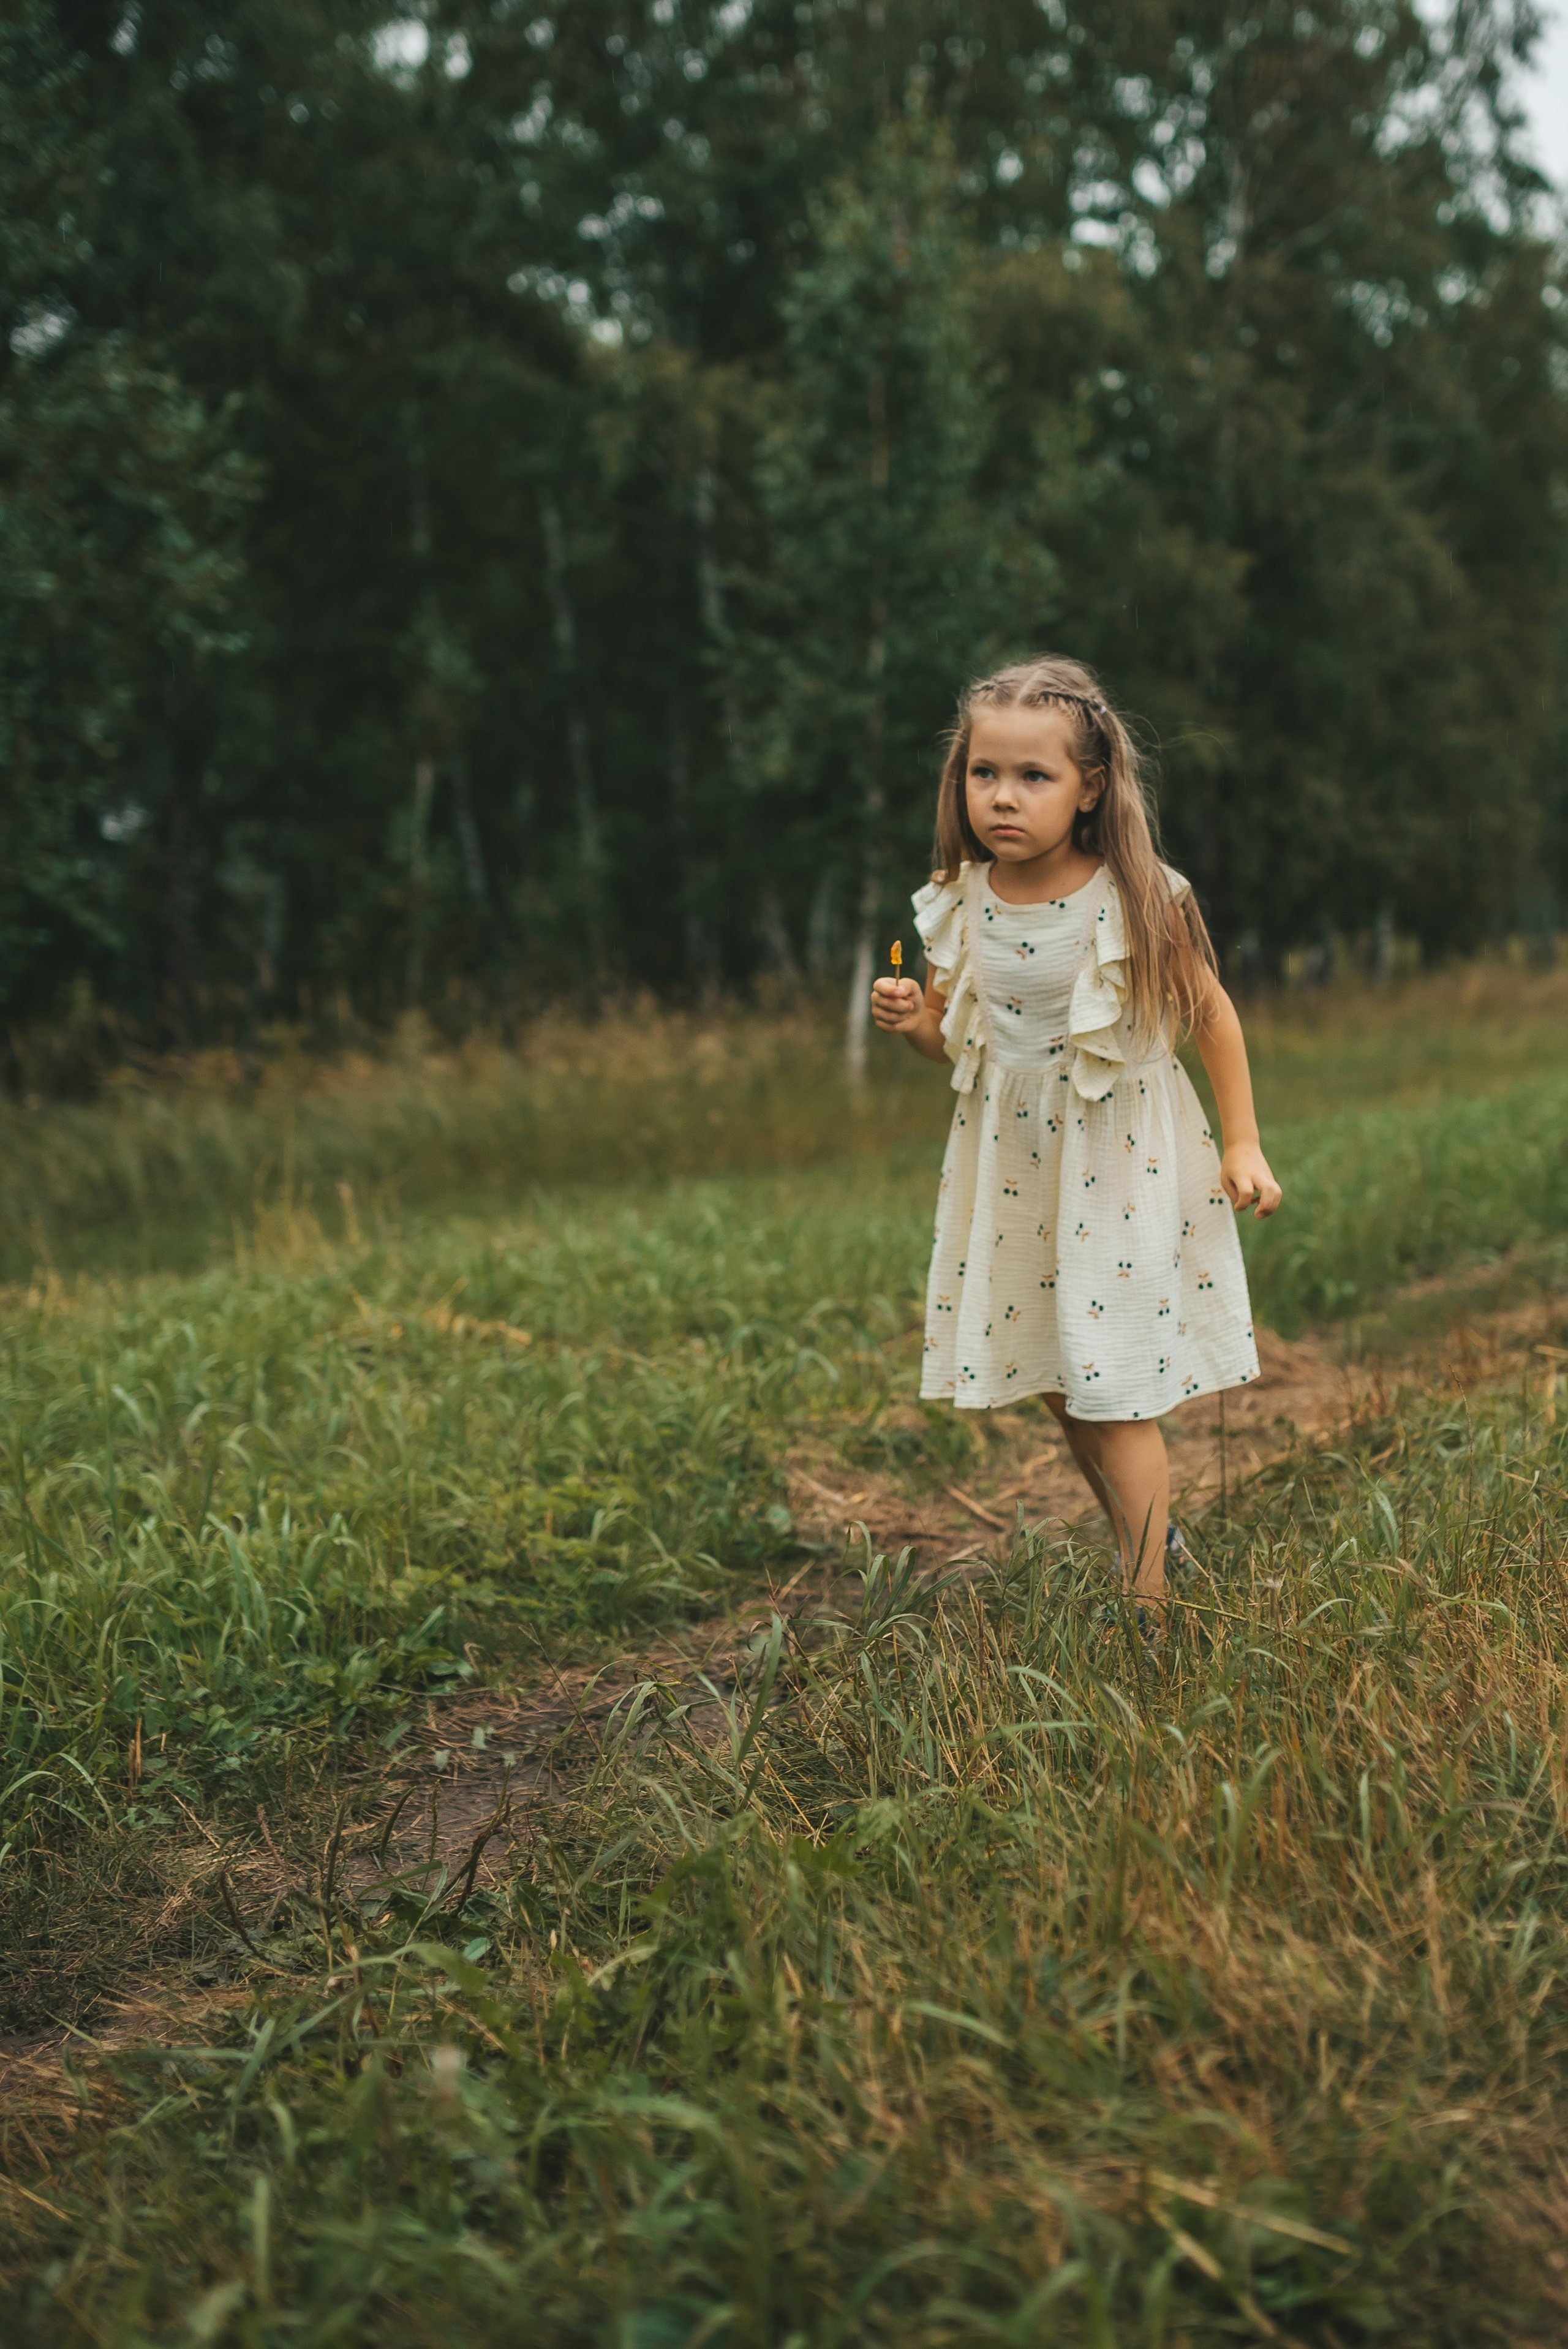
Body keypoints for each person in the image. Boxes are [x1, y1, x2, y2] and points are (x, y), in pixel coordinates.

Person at [871, 655, 1282, 1613]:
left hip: (1117, 1162)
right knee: (1063, 1381)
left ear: (1090, 786)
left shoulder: (1132, 897)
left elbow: (1211, 1016)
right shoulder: (959, 898)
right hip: (1013, 1165)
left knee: (1113, 1386)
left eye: (1033, 776)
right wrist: (913, 1024)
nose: (1002, 798)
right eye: (984, 773)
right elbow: (962, 1043)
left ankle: (1149, 1607)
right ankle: (1154, 1542)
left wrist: (1243, 1142)